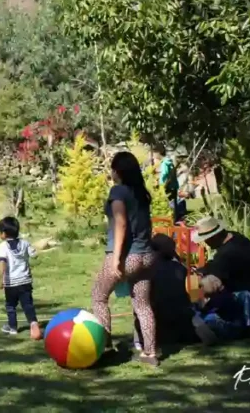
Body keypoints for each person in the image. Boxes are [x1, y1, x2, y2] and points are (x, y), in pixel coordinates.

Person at [91, 150, 159, 366]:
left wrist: (116, 259)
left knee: (99, 297)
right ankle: (150, 353)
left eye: (112, 169)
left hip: (128, 256)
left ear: (117, 171)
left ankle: (105, 348)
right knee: (143, 305)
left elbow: (121, 223)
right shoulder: (141, 194)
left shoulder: (118, 191)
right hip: (146, 255)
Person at [190, 216, 250, 344]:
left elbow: (212, 284)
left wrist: (195, 286)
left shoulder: (226, 254)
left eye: (206, 240)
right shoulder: (237, 238)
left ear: (214, 237)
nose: (206, 243)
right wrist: (202, 270)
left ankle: (234, 329)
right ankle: (246, 324)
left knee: (205, 316)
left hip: (240, 300)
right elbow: (216, 266)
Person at [133, 233, 197, 354]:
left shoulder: (146, 270)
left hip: (159, 331)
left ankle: (140, 341)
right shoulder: (180, 268)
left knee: (140, 305)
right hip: (184, 330)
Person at [0, 217, 42, 340]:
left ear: (4, 234)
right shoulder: (24, 243)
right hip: (25, 281)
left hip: (11, 283)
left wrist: (1, 278)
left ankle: (13, 328)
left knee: (10, 306)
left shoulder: (2, 247)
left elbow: (2, 263)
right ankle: (33, 323)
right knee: (28, 304)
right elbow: (34, 255)